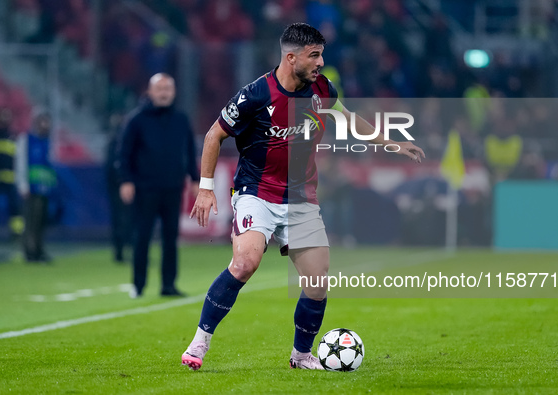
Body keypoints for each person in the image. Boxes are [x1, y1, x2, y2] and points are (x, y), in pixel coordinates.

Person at [181, 23, 424, 371]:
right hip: (257, 193)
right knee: (245, 262)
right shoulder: (255, 95)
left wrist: (392, 143)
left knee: (317, 283)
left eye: (322, 54)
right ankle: (199, 343)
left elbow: (349, 119)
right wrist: (205, 188)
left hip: (301, 199)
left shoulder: (322, 90)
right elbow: (212, 136)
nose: (321, 62)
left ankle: (301, 355)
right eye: (314, 55)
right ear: (291, 57)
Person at [118, 73, 199, 298]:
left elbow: (190, 151)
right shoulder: (136, 120)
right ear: (150, 91)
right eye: (160, 89)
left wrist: (194, 178)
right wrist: (126, 180)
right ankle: (138, 284)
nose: (164, 93)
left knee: (171, 238)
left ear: (173, 92)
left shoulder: (181, 119)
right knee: (142, 236)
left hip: (173, 187)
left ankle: (168, 285)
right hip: (145, 188)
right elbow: (124, 153)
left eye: (168, 89)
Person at [15, 111, 57, 263]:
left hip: (44, 188)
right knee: (31, 220)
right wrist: (23, 184)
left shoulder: (46, 142)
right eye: (43, 122)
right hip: (31, 188)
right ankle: (29, 251)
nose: (45, 126)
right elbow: (21, 163)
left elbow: (49, 166)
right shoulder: (27, 140)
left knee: (41, 221)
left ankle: (39, 249)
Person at [105, 113, 132, 263]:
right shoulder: (118, 141)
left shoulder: (115, 140)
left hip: (121, 184)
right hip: (119, 185)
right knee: (121, 219)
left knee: (125, 219)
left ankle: (123, 251)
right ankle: (120, 251)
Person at [0, 108, 23, 242]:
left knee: (15, 208)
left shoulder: (13, 137)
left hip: (11, 178)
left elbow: (18, 159)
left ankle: (17, 233)